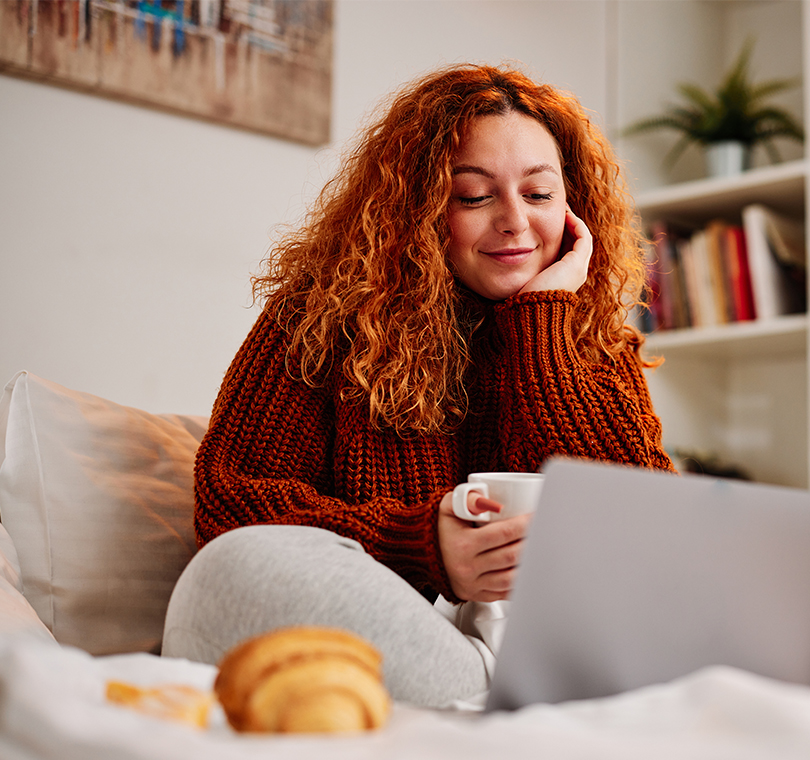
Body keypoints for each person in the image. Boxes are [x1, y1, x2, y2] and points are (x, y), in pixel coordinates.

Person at [162, 64, 674, 707]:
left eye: (540, 195)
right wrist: (423, 544)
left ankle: (510, 714)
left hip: (562, 656)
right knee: (229, 574)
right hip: (402, 644)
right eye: (474, 195)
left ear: (574, 209)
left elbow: (659, 539)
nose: (516, 221)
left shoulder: (595, 341)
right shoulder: (317, 323)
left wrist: (541, 329)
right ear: (420, 209)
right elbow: (230, 507)